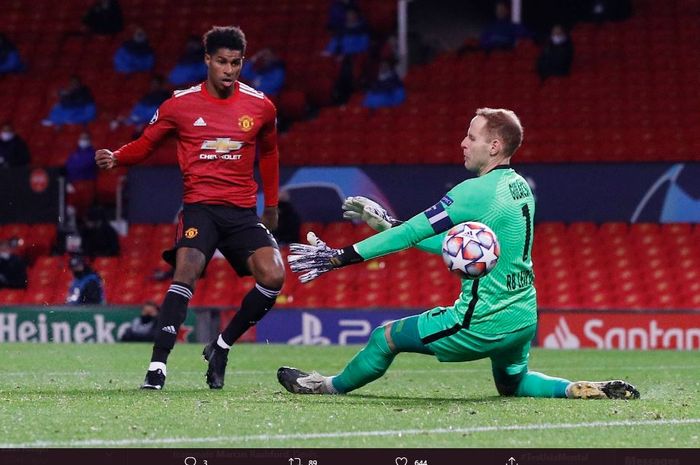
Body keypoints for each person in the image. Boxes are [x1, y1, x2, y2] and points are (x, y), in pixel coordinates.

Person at [278, 107, 640, 401]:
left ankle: (322, 386)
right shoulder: (519, 187)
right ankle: (575, 388)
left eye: (472, 136)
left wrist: (341, 256)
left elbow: (413, 231)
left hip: (480, 321)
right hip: (524, 316)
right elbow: (451, 245)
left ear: (494, 146)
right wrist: (388, 223)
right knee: (513, 384)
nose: (463, 142)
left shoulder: (474, 192)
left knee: (384, 338)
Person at [95, 26, 284, 391]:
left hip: (242, 212)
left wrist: (271, 204)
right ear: (207, 61)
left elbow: (271, 153)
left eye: (236, 63)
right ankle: (157, 367)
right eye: (222, 62)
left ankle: (221, 345)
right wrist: (117, 157)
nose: (229, 70)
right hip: (200, 208)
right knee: (186, 272)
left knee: (274, 276)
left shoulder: (261, 106)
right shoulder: (179, 104)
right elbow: (146, 143)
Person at [65, 132, 98, 219]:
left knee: (84, 204)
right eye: (81, 139)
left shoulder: (93, 153)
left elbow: (86, 165)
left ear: (89, 140)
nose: (82, 141)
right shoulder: (74, 154)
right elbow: (68, 166)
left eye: (85, 139)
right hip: (73, 183)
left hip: (87, 183)